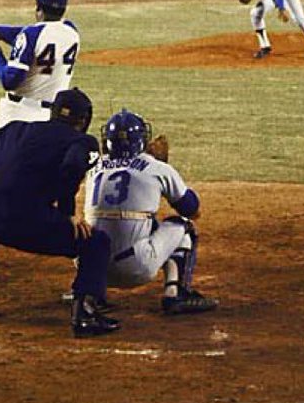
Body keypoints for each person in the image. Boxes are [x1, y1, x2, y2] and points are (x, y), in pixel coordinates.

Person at [0, 87, 119, 337]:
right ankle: (84, 314)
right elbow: (73, 164)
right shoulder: (82, 141)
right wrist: (67, 213)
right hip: (22, 220)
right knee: (95, 243)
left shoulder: (17, 128)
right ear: (83, 120)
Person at [85, 108, 218, 316]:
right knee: (183, 226)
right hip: (135, 268)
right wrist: (163, 168)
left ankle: (89, 295)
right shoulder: (155, 167)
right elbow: (191, 209)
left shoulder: (94, 168)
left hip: (91, 270)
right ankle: (175, 293)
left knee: (105, 223)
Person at [0, 0, 79, 128]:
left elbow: (9, 81)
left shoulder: (31, 35)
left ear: (38, 5)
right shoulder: (71, 31)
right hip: (50, 118)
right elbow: (30, 36)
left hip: (18, 115)